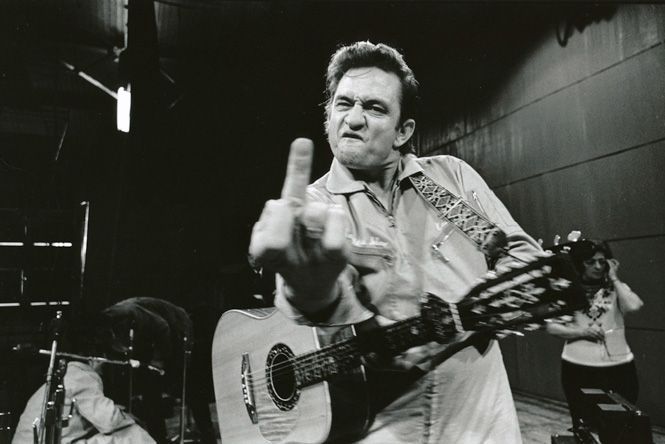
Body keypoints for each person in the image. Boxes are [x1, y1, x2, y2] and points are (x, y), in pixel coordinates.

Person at [249, 41, 542, 443]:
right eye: (343, 104)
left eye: (374, 108)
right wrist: (313, 295)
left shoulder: (449, 181)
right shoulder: (312, 207)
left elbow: (522, 258)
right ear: (328, 116)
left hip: (483, 420)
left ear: (403, 132)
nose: (354, 119)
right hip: (375, 429)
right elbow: (304, 310)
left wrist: (470, 314)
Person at [546, 239, 643, 430]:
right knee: (585, 425)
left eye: (602, 261)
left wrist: (614, 278)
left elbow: (633, 305)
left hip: (619, 366)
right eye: (590, 262)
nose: (598, 266)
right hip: (578, 366)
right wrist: (581, 332)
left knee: (623, 425)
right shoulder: (566, 289)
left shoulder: (615, 289)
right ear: (579, 263)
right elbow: (552, 327)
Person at [100, 297, 215, 444]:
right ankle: (159, 439)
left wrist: (158, 361)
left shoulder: (126, 313)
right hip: (155, 340)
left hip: (178, 329)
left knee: (189, 386)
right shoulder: (111, 323)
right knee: (149, 390)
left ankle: (208, 435)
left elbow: (162, 326)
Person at [12, 325, 154, 444]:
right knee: (132, 435)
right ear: (95, 358)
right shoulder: (82, 375)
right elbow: (109, 420)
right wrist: (134, 419)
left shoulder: (69, 373)